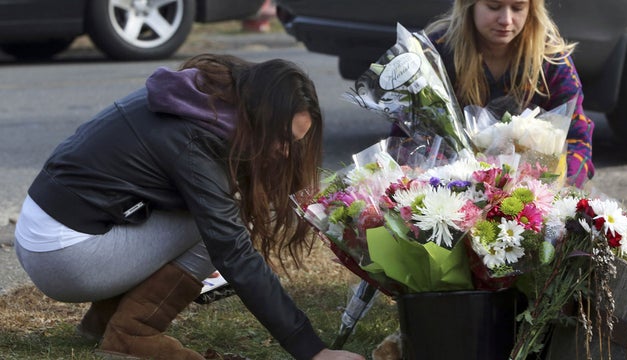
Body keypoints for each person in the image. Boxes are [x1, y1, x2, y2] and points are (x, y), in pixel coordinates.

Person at [13, 53, 365, 360]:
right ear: (261, 115)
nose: (287, 153)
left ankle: (103, 319)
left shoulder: (199, 99)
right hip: (64, 257)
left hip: (46, 233)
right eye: (283, 140)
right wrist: (312, 350)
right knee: (217, 227)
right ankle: (132, 333)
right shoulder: (195, 140)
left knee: (209, 214)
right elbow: (233, 252)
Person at [393, 0, 594, 187]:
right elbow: (406, 136)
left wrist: (560, 187)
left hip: (530, 193)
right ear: (469, 5)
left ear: (532, 8)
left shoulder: (551, 59)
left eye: (517, 8)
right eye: (494, 6)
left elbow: (578, 139)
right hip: (448, 187)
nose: (506, 20)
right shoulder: (435, 52)